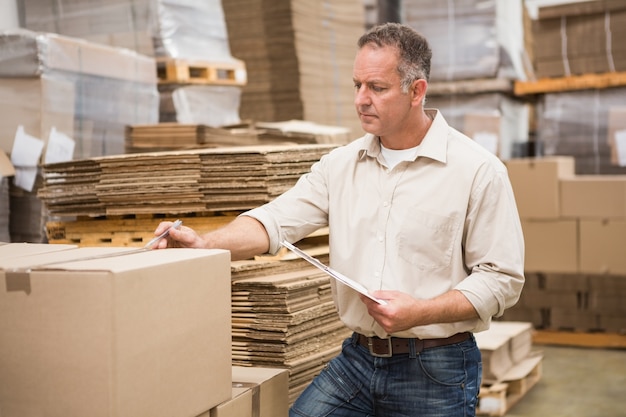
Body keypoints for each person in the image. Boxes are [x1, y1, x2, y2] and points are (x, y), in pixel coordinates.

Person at [153, 22, 525, 417]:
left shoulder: (477, 171)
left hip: (436, 365)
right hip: (359, 358)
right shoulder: (341, 165)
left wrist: (421, 311)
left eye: (376, 88)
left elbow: (501, 278)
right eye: (356, 85)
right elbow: (275, 220)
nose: (361, 100)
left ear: (416, 91)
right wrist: (207, 243)